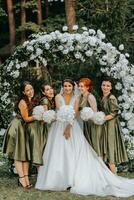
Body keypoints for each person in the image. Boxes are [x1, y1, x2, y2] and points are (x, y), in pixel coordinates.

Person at [35, 78, 134, 197]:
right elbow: (60, 111)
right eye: (65, 86)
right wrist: (62, 122)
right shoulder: (57, 97)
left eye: (69, 86)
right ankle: (58, 179)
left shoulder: (77, 98)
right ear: (62, 87)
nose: (67, 88)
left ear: (73, 87)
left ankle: (73, 179)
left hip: (72, 126)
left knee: (75, 152)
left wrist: (68, 127)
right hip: (59, 126)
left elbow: (75, 112)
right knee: (58, 152)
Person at [3, 81, 36, 188]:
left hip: (24, 128)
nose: (30, 91)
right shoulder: (23, 102)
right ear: (23, 92)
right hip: (18, 127)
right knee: (18, 153)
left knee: (25, 154)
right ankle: (21, 178)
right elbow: (26, 118)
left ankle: (26, 177)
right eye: (27, 90)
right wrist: (38, 116)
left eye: (31, 89)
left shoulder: (32, 100)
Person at [100, 77, 128, 174]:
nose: (105, 87)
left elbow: (113, 113)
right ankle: (111, 175)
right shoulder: (104, 97)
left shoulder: (111, 98)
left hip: (111, 126)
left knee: (110, 147)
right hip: (106, 125)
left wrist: (101, 118)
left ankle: (114, 177)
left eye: (108, 86)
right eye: (104, 85)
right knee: (107, 148)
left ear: (111, 88)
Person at [27, 83, 55, 167]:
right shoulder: (45, 100)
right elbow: (46, 116)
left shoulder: (51, 100)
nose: (50, 91)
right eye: (47, 90)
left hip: (44, 125)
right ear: (43, 93)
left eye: (50, 88)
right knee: (42, 147)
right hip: (40, 127)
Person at [78, 78, 103, 157]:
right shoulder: (81, 96)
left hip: (91, 125)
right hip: (85, 124)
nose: (79, 88)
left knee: (94, 145)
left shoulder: (90, 97)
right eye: (79, 86)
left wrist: (88, 115)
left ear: (87, 87)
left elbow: (95, 113)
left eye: (82, 86)